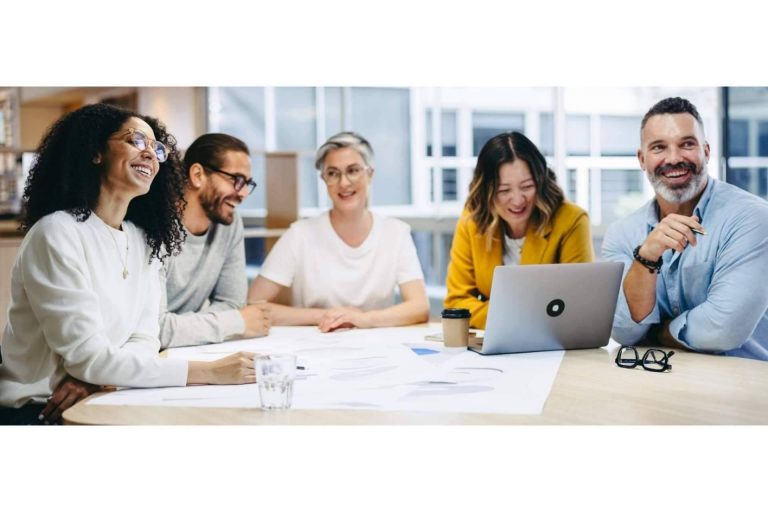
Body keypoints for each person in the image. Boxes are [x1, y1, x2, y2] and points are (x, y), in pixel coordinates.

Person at [0, 104, 256, 425]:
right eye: (136, 141)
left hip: (104, 395)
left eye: (156, 147)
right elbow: (88, 357)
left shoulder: (142, 239)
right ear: (95, 152)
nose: (150, 153)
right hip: (36, 409)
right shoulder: (56, 233)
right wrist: (209, 372)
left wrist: (98, 375)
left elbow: (145, 339)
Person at [602, 97, 768, 360]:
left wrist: (658, 332)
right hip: (663, 381)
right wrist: (646, 256)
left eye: (687, 144)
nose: (674, 158)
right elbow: (624, 331)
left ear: (707, 151)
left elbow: (722, 330)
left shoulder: (752, 218)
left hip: (747, 384)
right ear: (642, 159)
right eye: (659, 147)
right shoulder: (622, 233)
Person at [248, 131, 429, 332]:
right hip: (316, 344)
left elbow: (419, 307)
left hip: (377, 347)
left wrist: (363, 319)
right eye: (333, 173)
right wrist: (327, 316)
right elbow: (255, 304)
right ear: (324, 180)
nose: (344, 183)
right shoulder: (300, 234)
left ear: (370, 174)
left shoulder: (395, 233)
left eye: (353, 170)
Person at [444, 131, 594, 329]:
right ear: (486, 190)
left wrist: (495, 313)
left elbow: (578, 305)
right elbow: (456, 303)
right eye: (504, 190)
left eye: (527, 186)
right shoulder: (472, 219)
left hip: (552, 344)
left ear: (540, 182)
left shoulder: (571, 221)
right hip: (495, 340)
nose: (517, 200)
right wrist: (518, 315)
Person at [159, 133, 270, 349]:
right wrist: (237, 322)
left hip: (192, 351)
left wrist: (186, 329)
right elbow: (154, 328)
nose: (244, 193)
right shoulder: (154, 226)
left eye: (248, 183)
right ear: (198, 175)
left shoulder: (230, 225)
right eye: (236, 180)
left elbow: (232, 303)